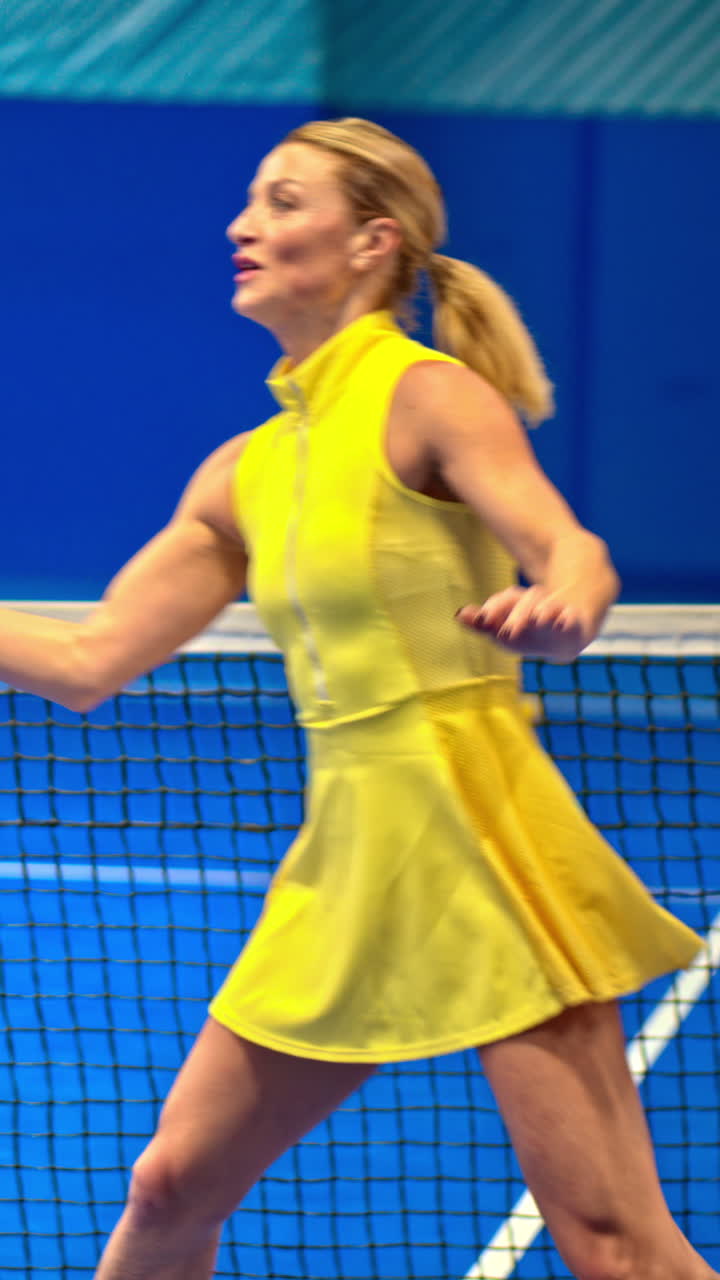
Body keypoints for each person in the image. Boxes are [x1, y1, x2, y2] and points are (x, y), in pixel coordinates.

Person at [4, 117, 715, 1280]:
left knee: (609, 1240)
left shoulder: (428, 396)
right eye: (249, 202)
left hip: (476, 839)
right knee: (170, 1184)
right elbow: (93, 658)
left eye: (283, 202)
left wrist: (568, 603)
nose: (243, 225)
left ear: (371, 239)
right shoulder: (244, 472)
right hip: (344, 859)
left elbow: (568, 546)